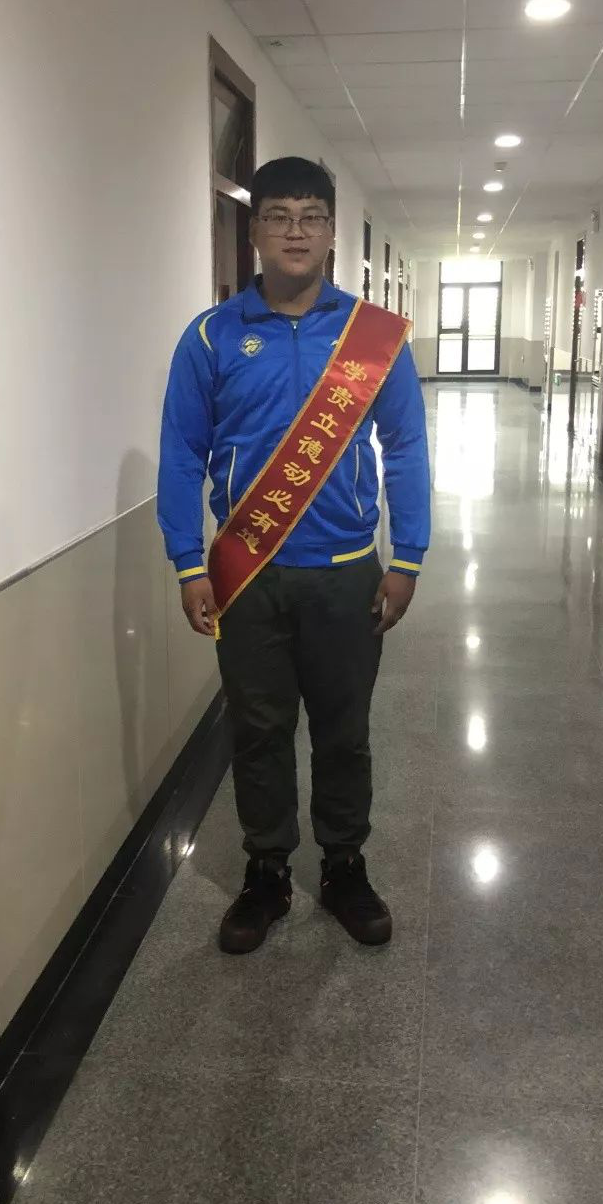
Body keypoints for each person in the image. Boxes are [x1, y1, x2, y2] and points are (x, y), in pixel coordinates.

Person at [157, 156, 430, 955]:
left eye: (312, 216)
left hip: (347, 573)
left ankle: (344, 866)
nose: (296, 232)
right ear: (255, 231)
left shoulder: (372, 337)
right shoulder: (211, 336)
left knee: (344, 732)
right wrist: (188, 562)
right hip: (248, 575)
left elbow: (405, 448)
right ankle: (267, 872)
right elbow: (181, 452)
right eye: (279, 216)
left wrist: (407, 557)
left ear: (333, 230)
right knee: (259, 731)